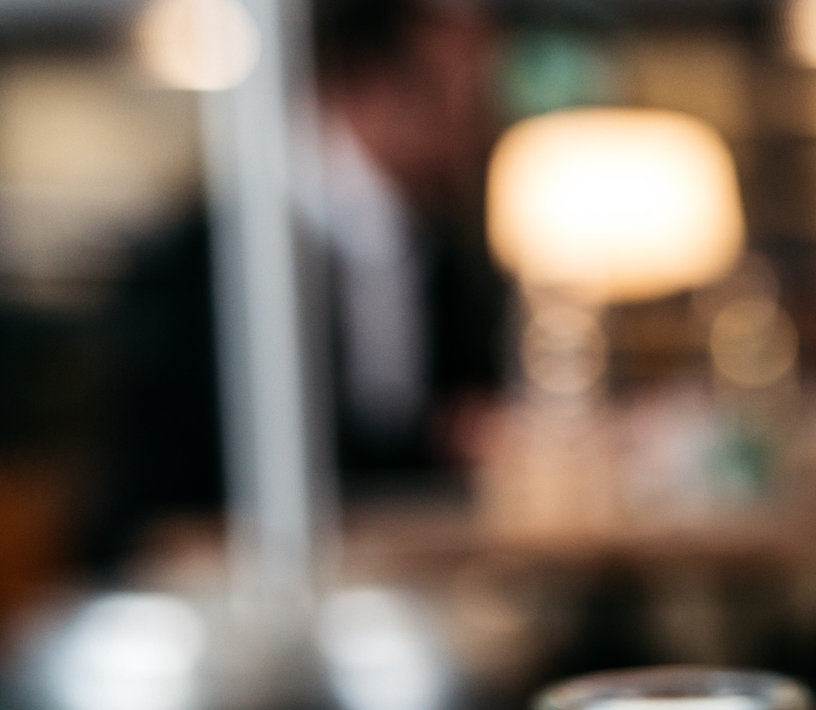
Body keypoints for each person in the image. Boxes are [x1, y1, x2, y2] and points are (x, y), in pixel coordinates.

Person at [81, 0, 502, 575]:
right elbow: (172, 478)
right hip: (213, 580)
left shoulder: (435, 247)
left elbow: (420, 424)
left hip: (383, 567)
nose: (479, 124)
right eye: (466, 98)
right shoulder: (216, 255)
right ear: (376, 88)